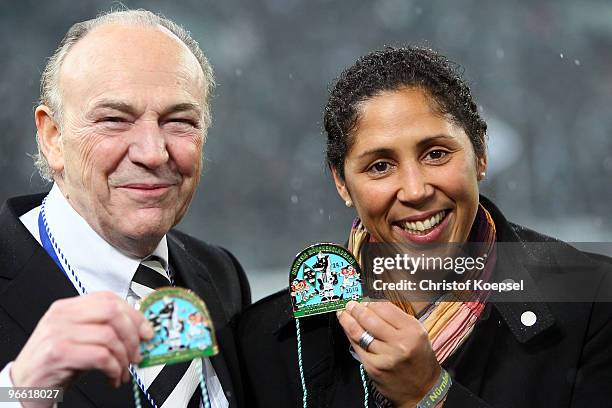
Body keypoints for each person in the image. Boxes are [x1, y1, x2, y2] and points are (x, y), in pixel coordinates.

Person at [237, 47, 612, 407]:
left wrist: (428, 394)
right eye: (380, 166)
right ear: (341, 183)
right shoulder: (271, 339)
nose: (415, 190)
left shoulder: (592, 302)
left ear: (481, 153)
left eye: (436, 154)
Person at [0, 9, 250, 408]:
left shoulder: (222, 278)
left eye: (179, 121)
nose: (153, 152)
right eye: (115, 119)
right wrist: (23, 390)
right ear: (52, 137)